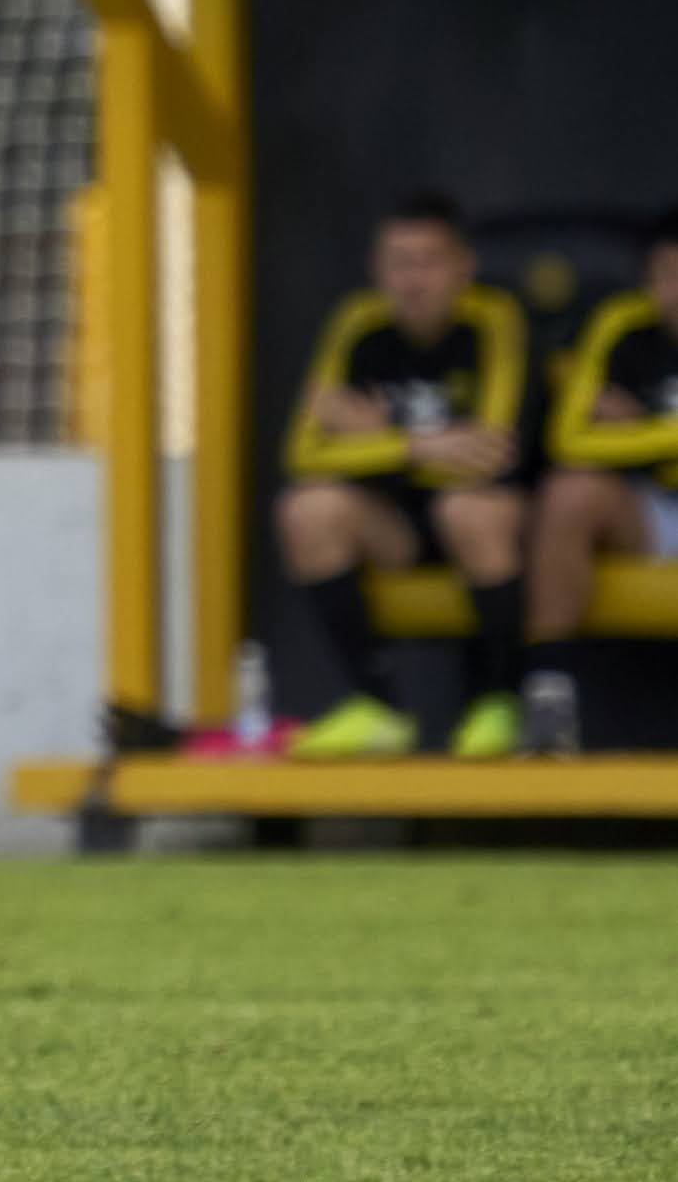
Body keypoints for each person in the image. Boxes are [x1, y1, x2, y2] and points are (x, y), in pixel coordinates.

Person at [275, 189, 531, 759]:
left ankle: (499, 702)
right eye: (399, 263)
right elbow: (303, 454)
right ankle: (377, 706)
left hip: (487, 525)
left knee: (469, 509)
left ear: (463, 266)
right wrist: (422, 445)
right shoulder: (358, 323)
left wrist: (375, 435)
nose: (413, 281)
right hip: (399, 527)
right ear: (376, 269)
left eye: (429, 262)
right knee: (308, 508)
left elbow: (491, 454)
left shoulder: (493, 318)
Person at [527, 208, 678, 757]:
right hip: (653, 512)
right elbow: (570, 440)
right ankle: (549, 700)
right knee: (570, 491)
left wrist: (639, 426)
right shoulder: (621, 325)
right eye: (668, 274)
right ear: (649, 280)